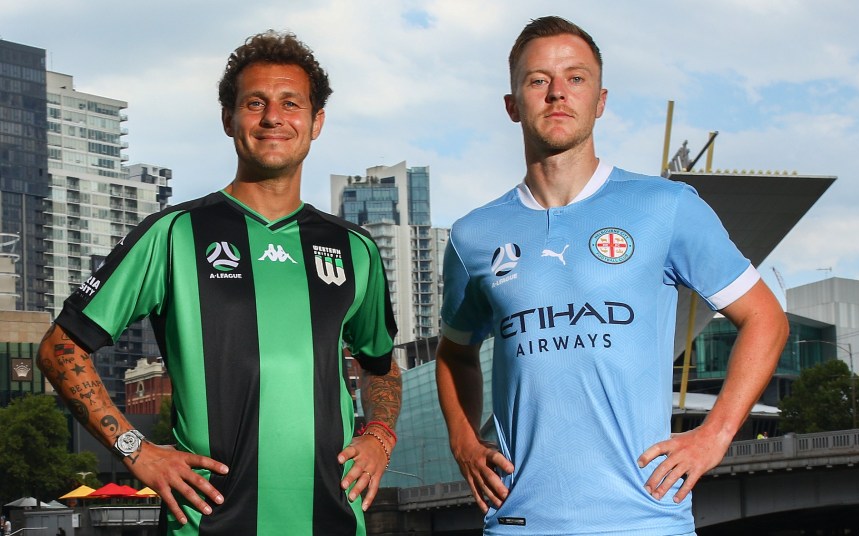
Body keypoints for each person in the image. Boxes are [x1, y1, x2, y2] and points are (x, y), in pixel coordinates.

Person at [36, 30, 401, 535]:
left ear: (316, 121)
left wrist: (380, 435)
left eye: (290, 103)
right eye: (255, 103)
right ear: (229, 119)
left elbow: (381, 366)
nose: (273, 117)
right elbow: (60, 349)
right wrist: (136, 450)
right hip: (206, 522)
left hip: (333, 519)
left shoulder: (354, 247)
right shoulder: (174, 233)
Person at [435, 16, 788, 535]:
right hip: (519, 520)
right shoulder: (473, 236)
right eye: (538, 80)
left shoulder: (666, 206)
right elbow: (454, 353)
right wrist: (464, 442)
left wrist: (714, 436)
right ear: (512, 105)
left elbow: (765, 318)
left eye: (575, 78)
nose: (558, 92)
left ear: (600, 100)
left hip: (645, 518)